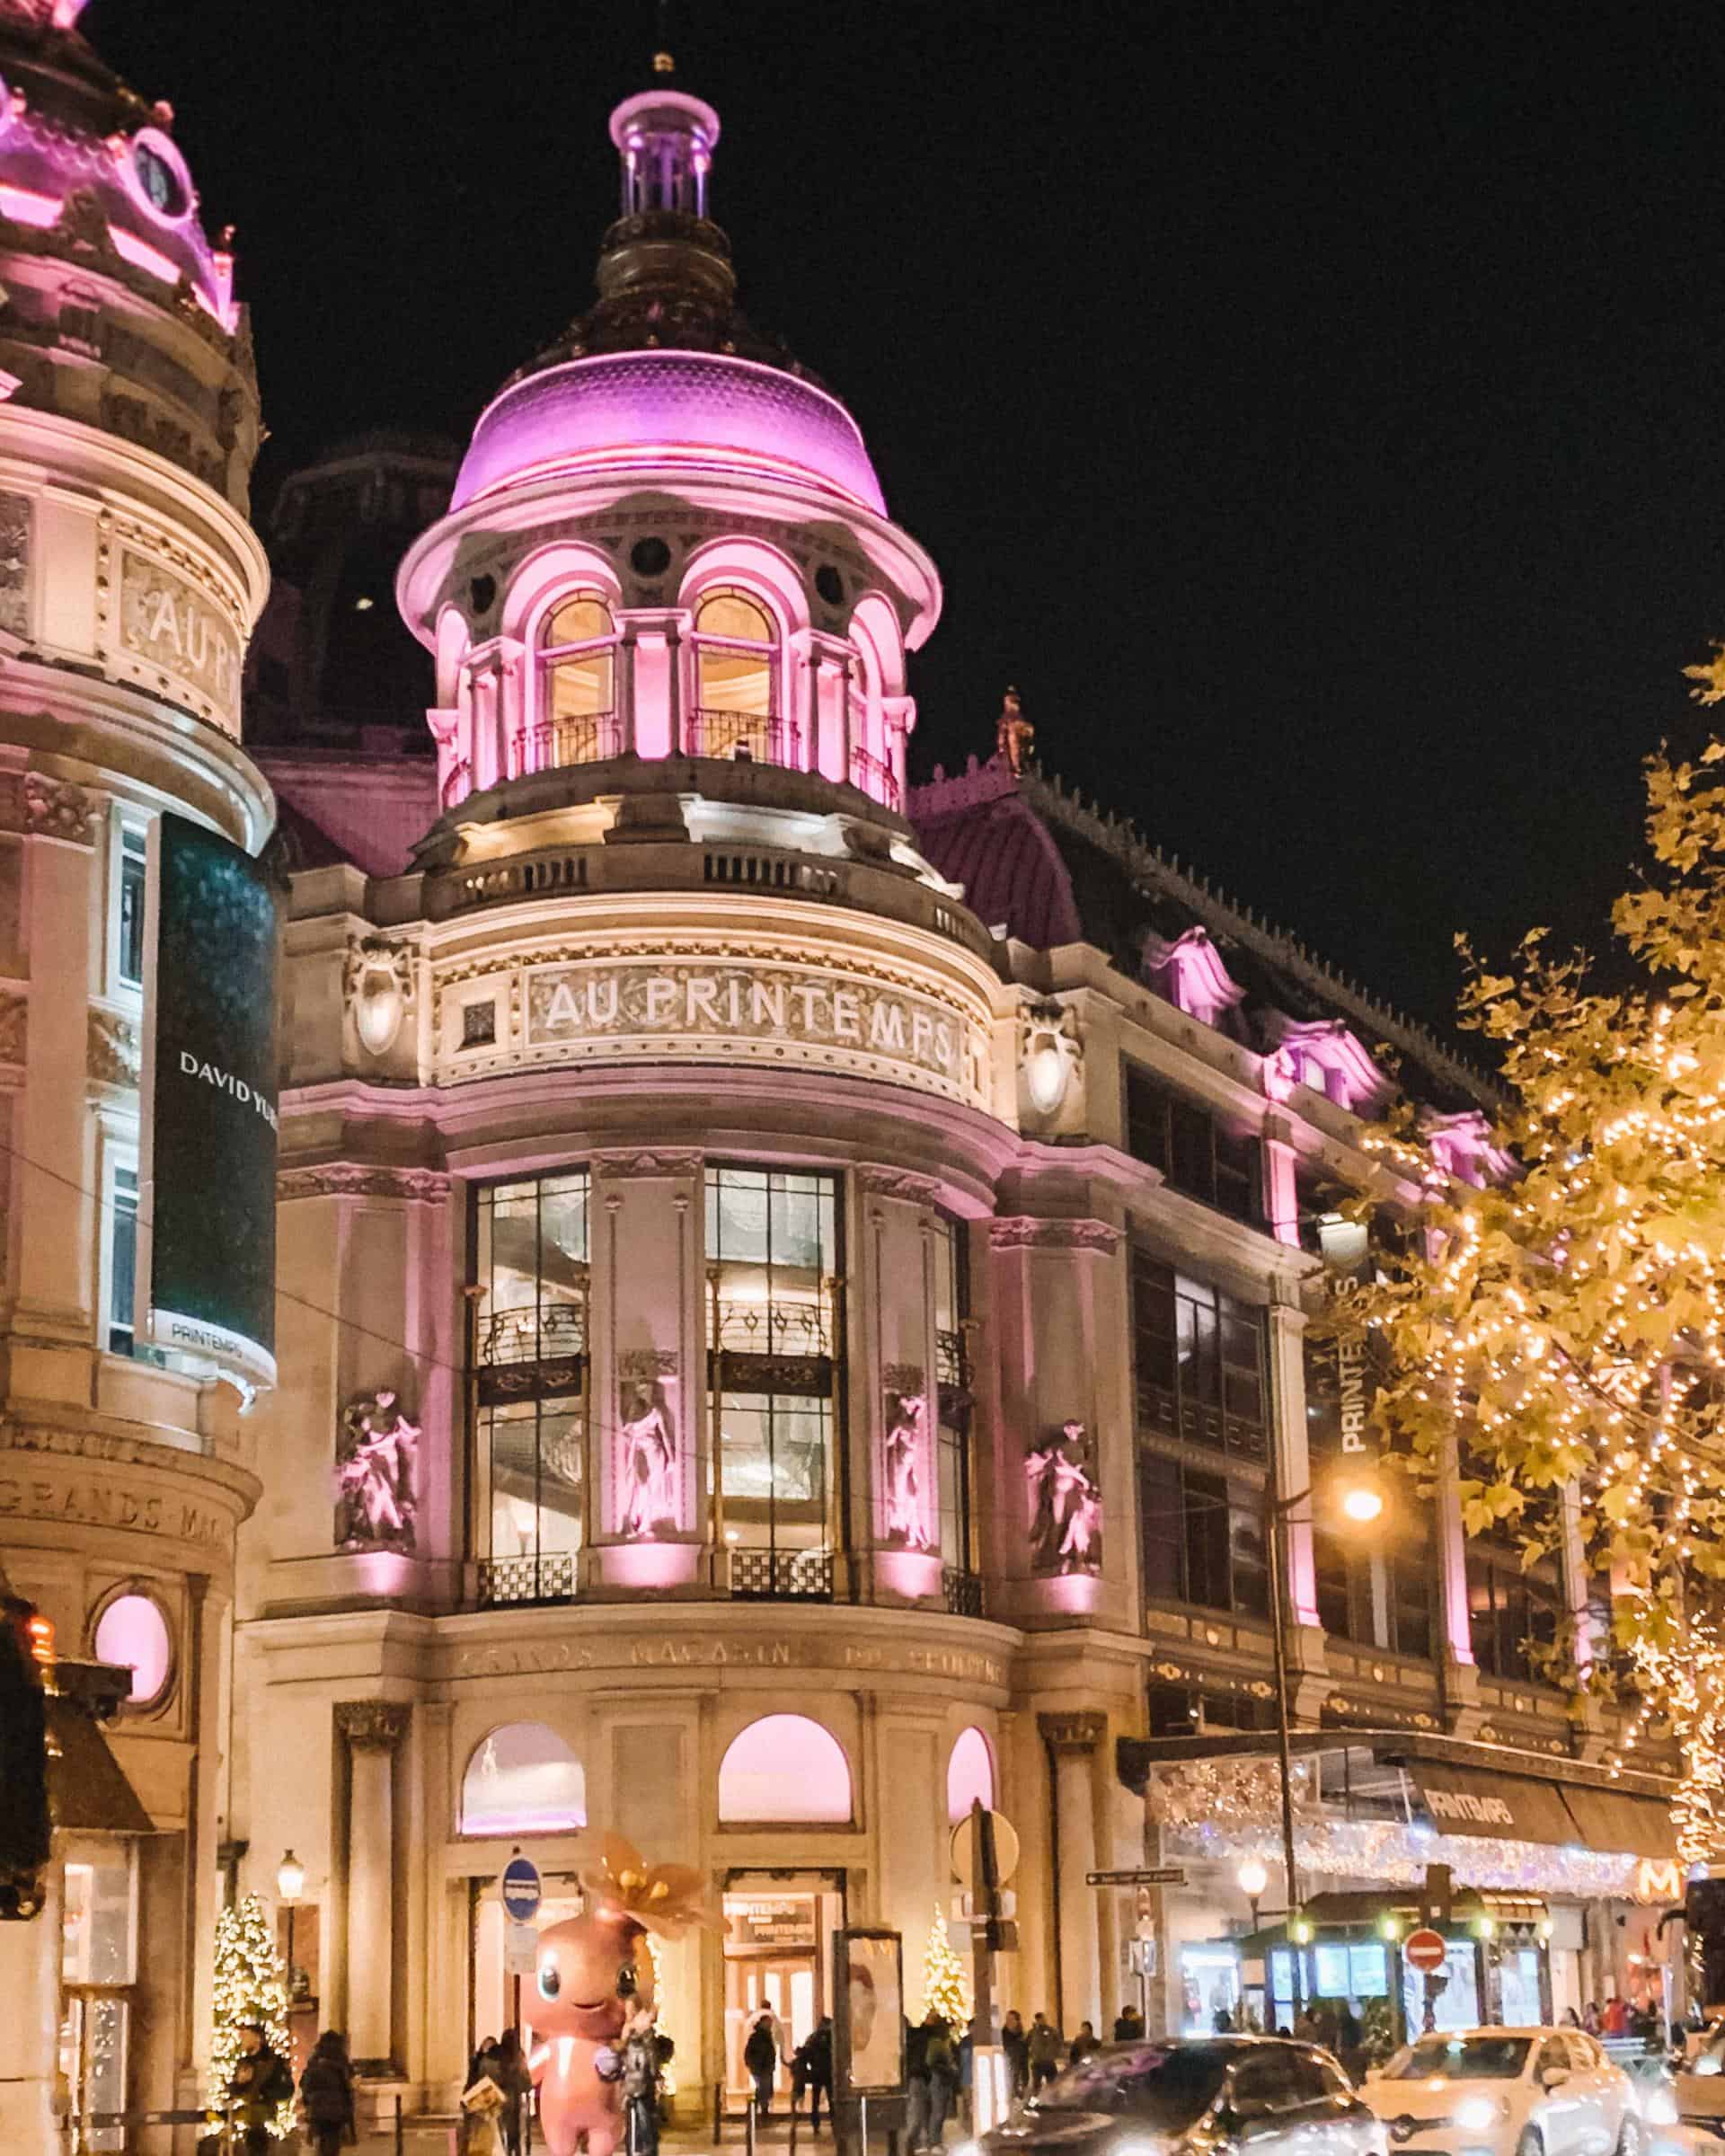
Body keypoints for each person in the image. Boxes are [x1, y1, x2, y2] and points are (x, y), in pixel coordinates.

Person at [228, 2023, 295, 2156]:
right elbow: (234, 2090)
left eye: (246, 2036)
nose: (242, 2040)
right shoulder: (244, 2062)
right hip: (247, 2119)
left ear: (258, 2038)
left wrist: (265, 2093)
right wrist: (240, 2083)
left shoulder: (274, 2061)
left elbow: (287, 2088)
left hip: (267, 2120)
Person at [298, 2030, 356, 2156]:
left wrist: (307, 2101)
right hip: (336, 2108)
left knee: (320, 2140)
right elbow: (347, 2083)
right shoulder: (341, 2059)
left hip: (317, 2107)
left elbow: (304, 2083)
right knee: (333, 2142)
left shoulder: (314, 2060)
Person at [496, 2028, 533, 2156]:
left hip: (501, 2098)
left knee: (504, 2128)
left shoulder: (498, 2056)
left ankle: (507, 2149)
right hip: (515, 2099)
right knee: (516, 2131)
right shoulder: (519, 2056)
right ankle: (514, 2150)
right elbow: (526, 2079)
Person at [798, 2016, 834, 2136]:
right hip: (828, 2072)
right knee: (831, 2100)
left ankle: (816, 2124)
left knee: (816, 2101)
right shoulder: (832, 2037)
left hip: (817, 2072)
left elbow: (806, 2054)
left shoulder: (813, 2037)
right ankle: (834, 2123)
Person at [745, 2013, 779, 2120]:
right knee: (763, 2089)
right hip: (760, 2067)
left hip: (765, 2067)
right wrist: (752, 2064)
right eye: (768, 2022)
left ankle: (759, 2111)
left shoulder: (767, 2035)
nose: (770, 2024)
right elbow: (750, 2052)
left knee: (764, 2089)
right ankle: (758, 2111)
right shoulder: (758, 2036)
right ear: (763, 2023)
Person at [1028, 2012, 1063, 2090]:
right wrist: (1031, 2055)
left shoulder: (1052, 2031)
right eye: (1040, 2019)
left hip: (1049, 2062)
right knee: (1036, 2087)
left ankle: (1051, 2101)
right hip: (1037, 2063)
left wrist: (1055, 2054)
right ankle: (1033, 2103)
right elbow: (1026, 2044)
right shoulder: (1032, 2032)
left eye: (1043, 2019)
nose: (1043, 2021)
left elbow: (1059, 2043)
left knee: (1053, 2085)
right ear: (1037, 2020)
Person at [1002, 2010, 1030, 2097]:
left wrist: (1025, 2080)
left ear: (1017, 2021)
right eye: (1007, 2019)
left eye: (1011, 2019)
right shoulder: (1001, 2036)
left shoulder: (1022, 2037)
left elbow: (1024, 2060)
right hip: (1005, 2074)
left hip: (1019, 2075)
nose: (1008, 2021)